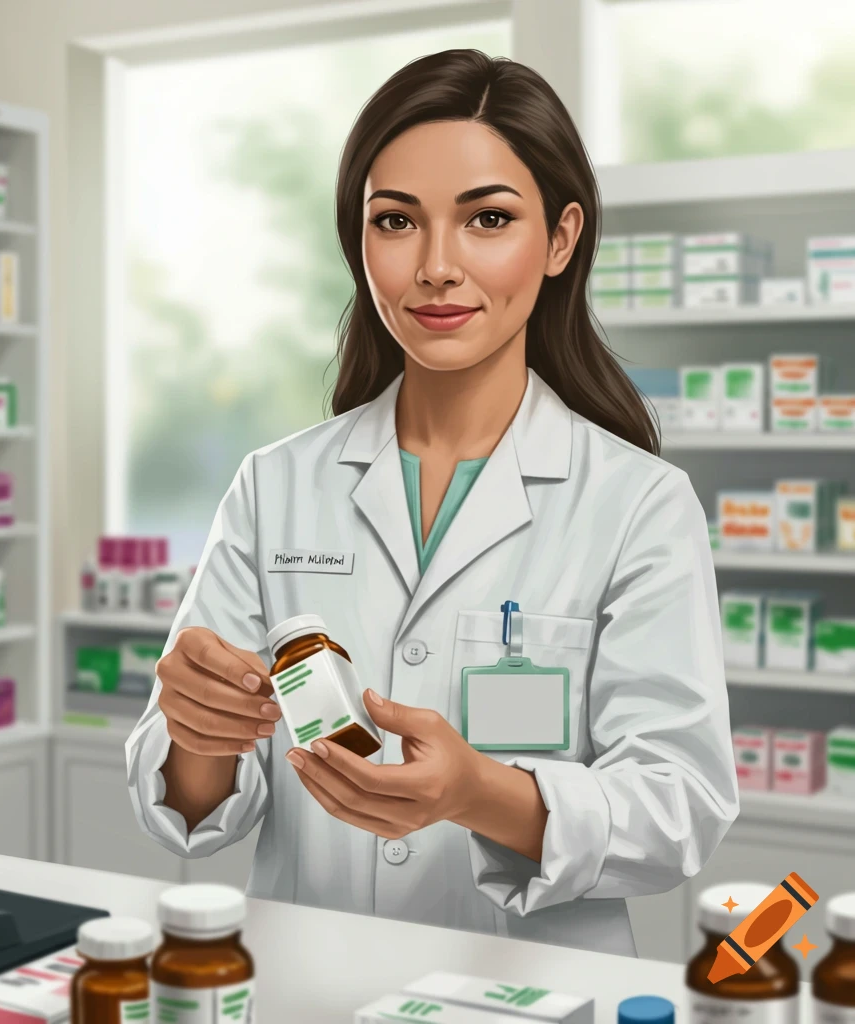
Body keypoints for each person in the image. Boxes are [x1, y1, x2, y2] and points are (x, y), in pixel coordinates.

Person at [125, 48, 739, 957]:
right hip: (311, 986)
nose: (437, 267)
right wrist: (200, 733)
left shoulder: (639, 504)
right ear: (360, 242)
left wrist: (480, 794)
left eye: (488, 218)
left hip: (529, 993)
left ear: (562, 239)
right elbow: (191, 800)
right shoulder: (275, 484)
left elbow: (678, 806)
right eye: (396, 221)